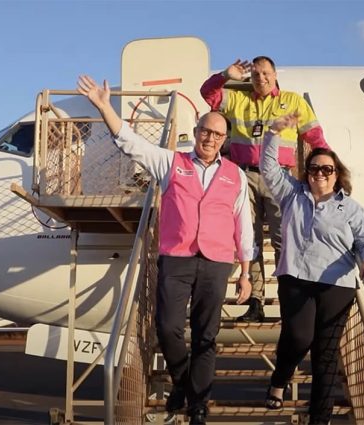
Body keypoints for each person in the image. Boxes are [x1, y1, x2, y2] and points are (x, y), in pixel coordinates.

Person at [77, 75, 254, 425]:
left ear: (224, 140)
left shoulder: (236, 175)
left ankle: (198, 404)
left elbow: (243, 224)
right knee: (168, 328)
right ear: (198, 131)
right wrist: (103, 107)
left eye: (218, 134)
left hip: (217, 263)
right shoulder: (171, 163)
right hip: (177, 259)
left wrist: (246, 274)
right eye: (206, 131)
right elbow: (129, 142)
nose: (210, 138)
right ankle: (184, 384)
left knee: (206, 336)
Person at [260, 114, 364, 425]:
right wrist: (274, 132)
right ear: (307, 172)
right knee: (298, 338)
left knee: (325, 356)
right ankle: (279, 380)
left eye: (327, 169)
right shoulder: (292, 195)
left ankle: (319, 420)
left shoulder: (351, 208)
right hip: (296, 279)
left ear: (336, 174)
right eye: (314, 169)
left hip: (336, 285)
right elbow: (269, 168)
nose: (320, 174)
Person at [200, 56, 330, 322]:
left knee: (285, 240)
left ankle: (290, 301)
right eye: (256, 74)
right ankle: (255, 302)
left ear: (275, 74)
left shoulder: (292, 101)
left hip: (278, 178)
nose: (261, 78)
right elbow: (208, 93)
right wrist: (225, 74)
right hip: (244, 176)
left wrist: (326, 169)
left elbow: (314, 137)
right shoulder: (239, 100)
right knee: (250, 240)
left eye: (266, 73)